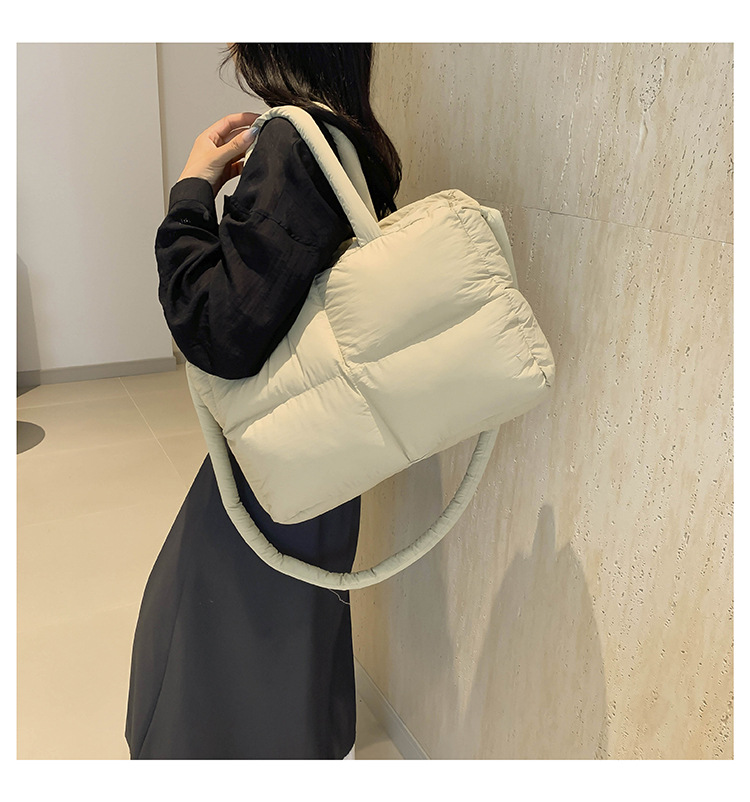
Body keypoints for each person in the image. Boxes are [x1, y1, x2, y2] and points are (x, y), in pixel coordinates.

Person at [124, 43, 402, 760]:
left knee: (215, 627)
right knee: (289, 624)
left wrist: (192, 191)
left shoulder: (294, 140)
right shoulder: (354, 140)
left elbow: (217, 330)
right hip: (329, 436)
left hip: (278, 442)